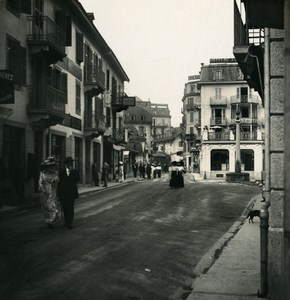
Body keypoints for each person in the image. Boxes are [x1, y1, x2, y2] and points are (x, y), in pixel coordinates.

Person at [57, 157, 79, 229]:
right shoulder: (61, 172)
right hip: (63, 193)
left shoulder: (74, 171)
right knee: (65, 208)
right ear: (66, 164)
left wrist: (73, 172)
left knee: (70, 208)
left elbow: (77, 179)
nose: (71, 164)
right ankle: (66, 222)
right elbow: (59, 184)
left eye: (71, 163)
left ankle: (70, 223)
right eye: (69, 163)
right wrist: (58, 194)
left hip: (71, 193)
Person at [38, 157, 59, 228]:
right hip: (44, 191)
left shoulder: (55, 173)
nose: (52, 168)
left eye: (53, 166)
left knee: (51, 205)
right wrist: (42, 188)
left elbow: (57, 179)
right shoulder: (42, 173)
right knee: (44, 205)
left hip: (52, 190)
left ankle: (53, 218)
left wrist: (54, 180)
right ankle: (48, 220)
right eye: (50, 166)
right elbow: (40, 182)